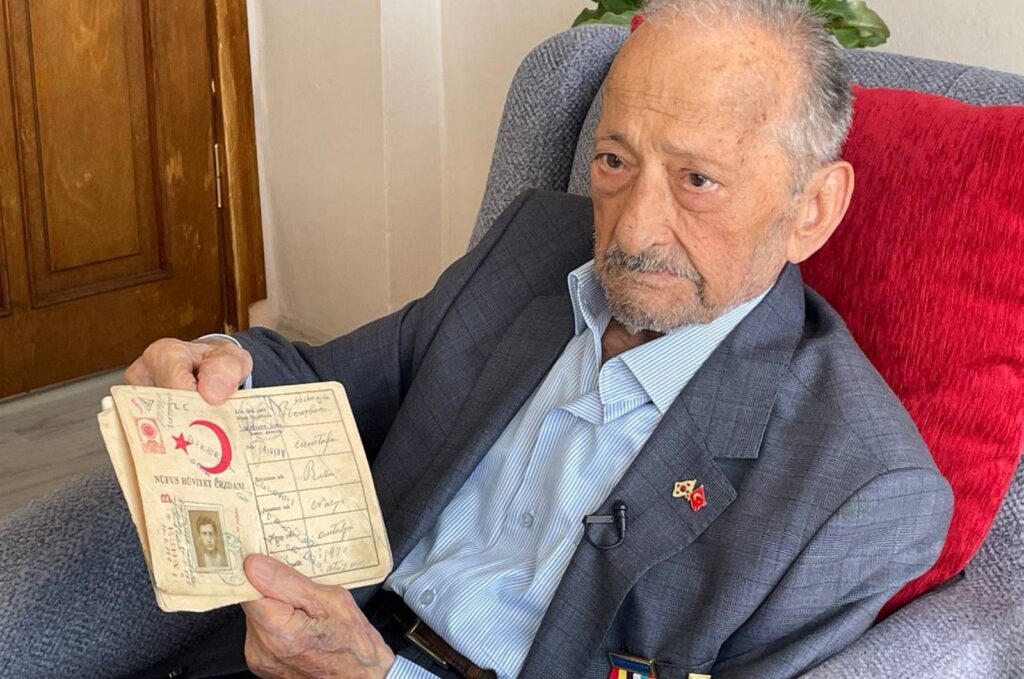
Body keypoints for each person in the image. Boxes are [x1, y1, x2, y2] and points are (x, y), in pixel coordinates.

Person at [0, 1, 953, 677]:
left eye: (697, 180)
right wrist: (215, 364)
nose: (629, 228)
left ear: (812, 210)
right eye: (615, 161)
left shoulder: (859, 490)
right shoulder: (532, 247)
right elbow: (320, 383)